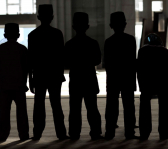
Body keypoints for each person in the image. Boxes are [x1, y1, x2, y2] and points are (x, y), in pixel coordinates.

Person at [29, 5, 69, 141]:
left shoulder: (33, 35)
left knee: (39, 105)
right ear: (52, 17)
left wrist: (30, 78)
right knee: (56, 104)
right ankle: (61, 133)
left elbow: (31, 60)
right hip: (54, 75)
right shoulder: (57, 34)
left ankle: (37, 133)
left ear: (38, 17)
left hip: (39, 75)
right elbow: (61, 57)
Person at [65, 12, 103, 140]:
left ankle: (74, 133)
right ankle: (96, 132)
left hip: (75, 80)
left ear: (73, 27)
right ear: (87, 26)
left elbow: (66, 62)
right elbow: (97, 60)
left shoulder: (69, 44)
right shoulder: (93, 43)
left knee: (75, 109)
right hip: (89, 79)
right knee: (92, 108)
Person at [104, 12, 138, 140]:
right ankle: (129, 133)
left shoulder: (109, 42)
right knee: (129, 106)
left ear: (110, 25)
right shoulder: (130, 40)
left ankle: (110, 132)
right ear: (125, 25)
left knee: (111, 106)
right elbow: (133, 62)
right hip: (128, 78)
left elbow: (106, 63)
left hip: (113, 79)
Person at [0, 23, 30, 141]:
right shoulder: (22, 49)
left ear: (5, 35)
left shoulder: (1, 49)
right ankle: (23, 134)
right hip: (19, 86)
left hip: (5, 86)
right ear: (18, 35)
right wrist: (27, 83)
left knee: (4, 113)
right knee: (21, 113)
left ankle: (2, 135)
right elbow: (27, 68)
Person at [137, 34, 168, 140]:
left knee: (144, 107)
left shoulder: (142, 51)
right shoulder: (165, 52)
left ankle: (144, 133)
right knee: (164, 107)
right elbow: (167, 72)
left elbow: (139, 70)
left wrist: (141, 85)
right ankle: (163, 133)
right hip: (162, 83)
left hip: (146, 83)